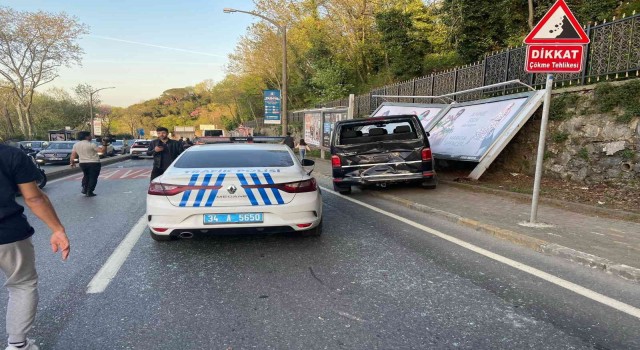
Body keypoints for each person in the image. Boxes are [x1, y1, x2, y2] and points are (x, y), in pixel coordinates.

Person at [0, 143, 70, 350]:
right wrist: (57, 229)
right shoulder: (10, 154)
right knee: (21, 284)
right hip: (8, 233)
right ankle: (18, 344)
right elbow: (34, 197)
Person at [70, 131, 106, 197]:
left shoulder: (76, 145)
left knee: (86, 176)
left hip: (82, 163)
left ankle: (84, 188)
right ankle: (89, 191)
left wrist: (72, 163)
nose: (91, 137)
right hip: (94, 163)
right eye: (90, 135)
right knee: (93, 177)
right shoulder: (91, 144)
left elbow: (73, 155)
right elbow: (101, 151)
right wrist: (104, 144)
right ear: (86, 137)